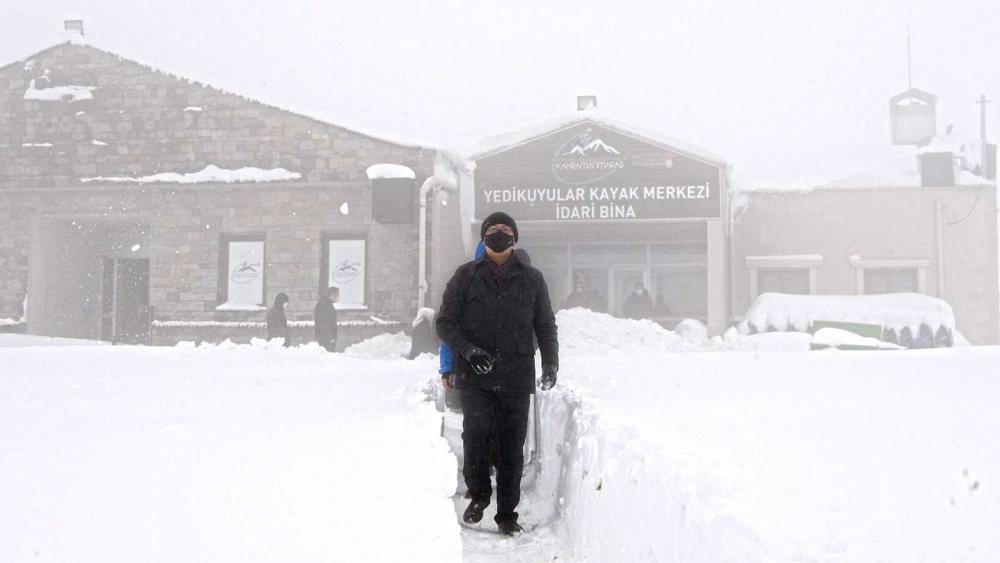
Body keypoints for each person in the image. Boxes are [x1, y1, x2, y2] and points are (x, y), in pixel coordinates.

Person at [436, 211, 558, 536]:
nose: (499, 233)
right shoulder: (464, 276)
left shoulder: (533, 279)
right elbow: (445, 322)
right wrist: (468, 352)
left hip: (516, 376)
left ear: (515, 238)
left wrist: (550, 363)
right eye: (492, 229)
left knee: (510, 446)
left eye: (506, 229)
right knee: (475, 437)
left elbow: (545, 325)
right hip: (475, 376)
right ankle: (478, 496)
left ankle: (507, 513)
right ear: (483, 237)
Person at [314, 286, 339, 352]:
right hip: (326, 339)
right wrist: (331, 337)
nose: (338, 297)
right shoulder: (324, 304)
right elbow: (325, 322)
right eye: (337, 294)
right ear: (332, 294)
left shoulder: (327, 303)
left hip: (327, 338)